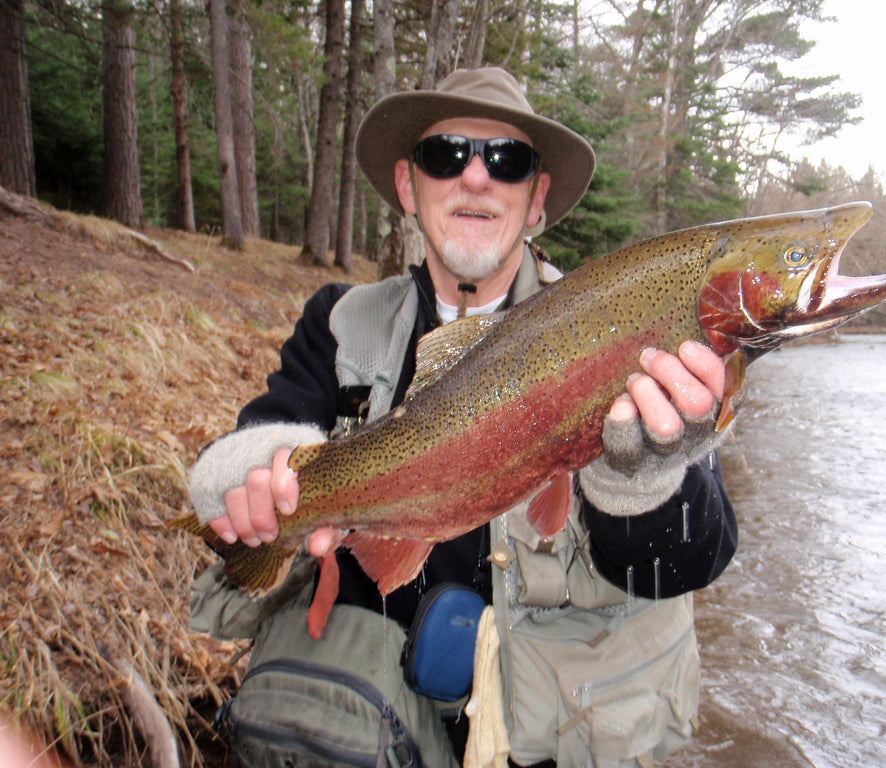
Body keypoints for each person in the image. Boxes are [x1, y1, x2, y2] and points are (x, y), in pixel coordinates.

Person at [187, 67, 737, 768]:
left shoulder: (619, 319)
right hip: (360, 733)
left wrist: (642, 475)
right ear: (410, 188)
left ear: (536, 200)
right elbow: (243, 458)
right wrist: (254, 481)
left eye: (506, 161)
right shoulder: (337, 321)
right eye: (446, 155)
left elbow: (696, 557)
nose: (476, 178)